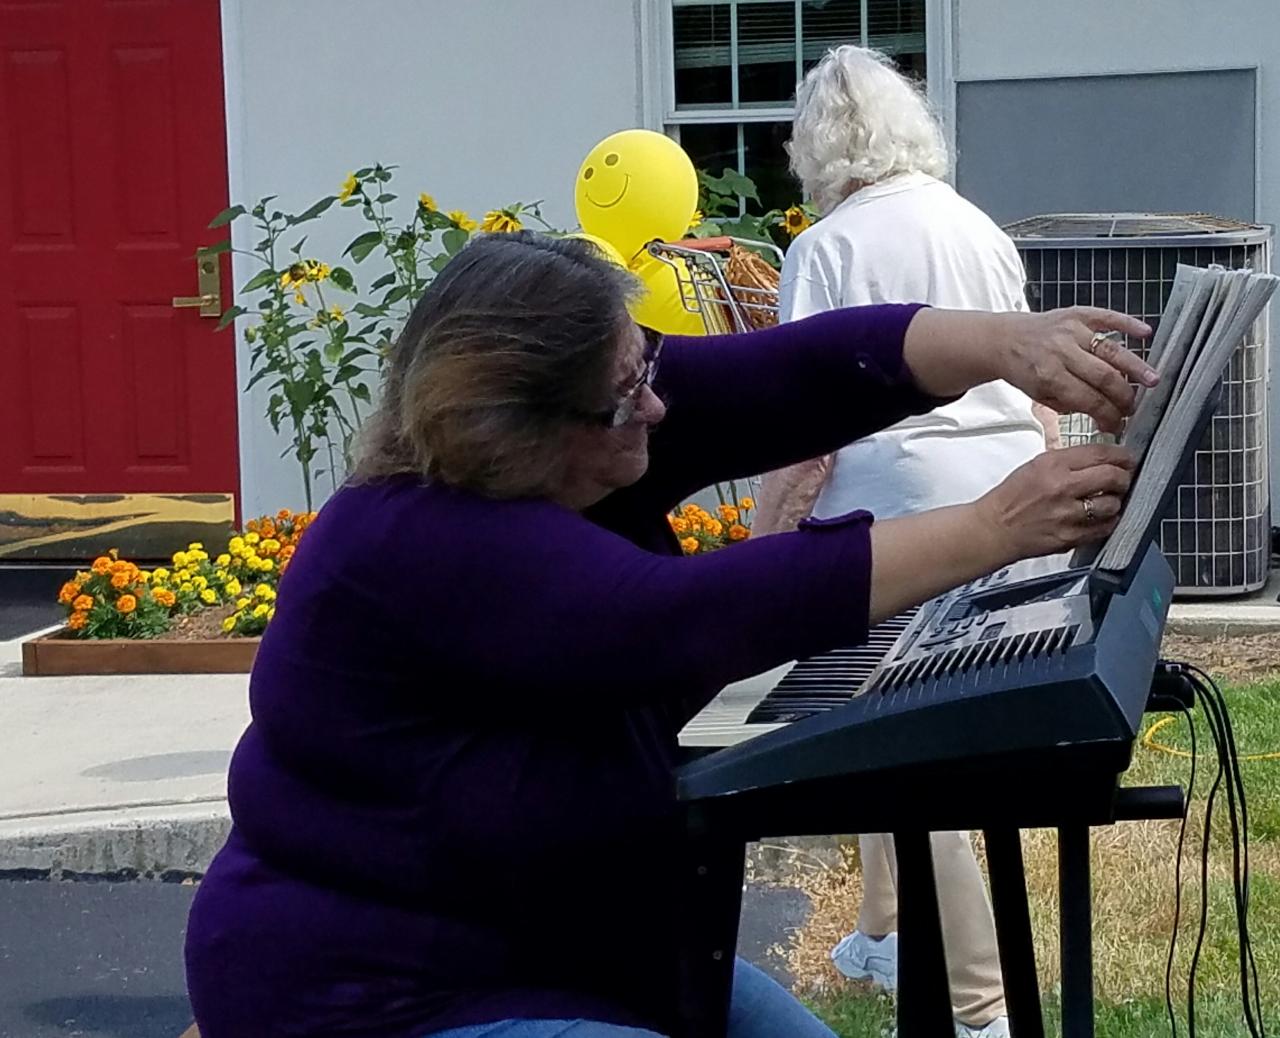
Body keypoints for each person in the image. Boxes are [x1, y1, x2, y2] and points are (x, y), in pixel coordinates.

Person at [184, 231, 1154, 1038]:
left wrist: (1007, 343)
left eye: (643, 365)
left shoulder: (591, 425)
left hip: (571, 945)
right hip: (379, 994)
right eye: (625, 395)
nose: (655, 402)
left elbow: (797, 372)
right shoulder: (416, 540)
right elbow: (680, 619)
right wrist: (992, 527)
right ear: (512, 431)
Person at [752, 44, 1070, 1038]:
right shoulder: (977, 228)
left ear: (814, 147)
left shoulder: (823, 248)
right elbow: (1040, 393)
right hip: (1015, 498)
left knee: (902, 750)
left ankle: (979, 1008)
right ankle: (884, 933)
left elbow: (803, 429)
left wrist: (760, 542)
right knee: (890, 729)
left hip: (897, 518)